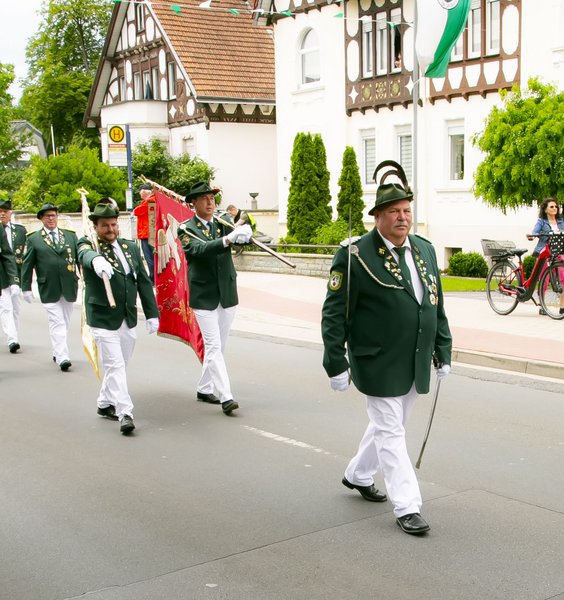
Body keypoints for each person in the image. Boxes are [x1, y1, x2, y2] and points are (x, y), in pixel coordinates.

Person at [321, 161, 452, 536]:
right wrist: (335, 361)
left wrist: (443, 349)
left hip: (414, 359)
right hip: (376, 361)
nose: (402, 217)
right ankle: (408, 505)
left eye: (406, 210)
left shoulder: (425, 250)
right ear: (377, 216)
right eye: (393, 211)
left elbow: (435, 305)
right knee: (392, 432)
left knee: (389, 425)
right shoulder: (355, 255)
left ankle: (358, 474)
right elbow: (334, 313)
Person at [77, 201, 159, 435]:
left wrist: (152, 313)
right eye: (105, 225)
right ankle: (125, 412)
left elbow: (143, 281)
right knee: (114, 364)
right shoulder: (88, 244)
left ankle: (104, 402)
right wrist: (95, 260)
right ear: (95, 227)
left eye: (113, 224)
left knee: (120, 365)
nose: (110, 229)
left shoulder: (130, 247)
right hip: (102, 317)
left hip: (127, 315)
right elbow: (83, 253)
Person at [177, 182, 252, 415]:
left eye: (212, 198)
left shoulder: (223, 223)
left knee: (220, 346)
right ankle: (226, 396)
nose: (210, 203)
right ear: (194, 203)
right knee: (213, 345)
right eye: (204, 199)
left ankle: (204, 388)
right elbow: (198, 250)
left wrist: (246, 234)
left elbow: (241, 237)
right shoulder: (186, 228)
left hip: (226, 291)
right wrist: (228, 240)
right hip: (204, 294)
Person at [21, 203, 79, 371]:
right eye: (48, 216)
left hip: (69, 285)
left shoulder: (70, 236)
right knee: (57, 321)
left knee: (64, 322)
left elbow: (79, 259)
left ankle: (57, 350)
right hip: (48, 286)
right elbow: (27, 264)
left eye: (53, 215)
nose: (51, 219)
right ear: (41, 219)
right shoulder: (34, 239)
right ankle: (63, 357)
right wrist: (26, 287)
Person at [526, 198, 564, 315]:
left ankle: (562, 306)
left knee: (563, 278)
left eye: (556, 206)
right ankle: (542, 305)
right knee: (544, 279)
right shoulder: (541, 221)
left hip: (558, 252)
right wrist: (532, 236)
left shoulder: (561, 221)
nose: (555, 208)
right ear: (546, 210)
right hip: (545, 253)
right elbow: (535, 232)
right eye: (552, 207)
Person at [0, 197, 24, 353]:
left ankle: (14, 335)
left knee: (15, 307)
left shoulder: (20, 230)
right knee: (6, 306)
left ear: (10, 213)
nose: (2, 214)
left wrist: (18, 280)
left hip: (16, 273)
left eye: (5, 211)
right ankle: (12, 339)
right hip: (1, 275)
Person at [133, 183, 156, 285]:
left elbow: (137, 211)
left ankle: (153, 278)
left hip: (147, 233)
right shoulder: (150, 201)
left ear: (144, 192)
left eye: (140, 192)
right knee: (151, 257)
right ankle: (153, 277)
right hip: (150, 232)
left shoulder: (150, 201)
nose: (139, 194)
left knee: (149, 257)